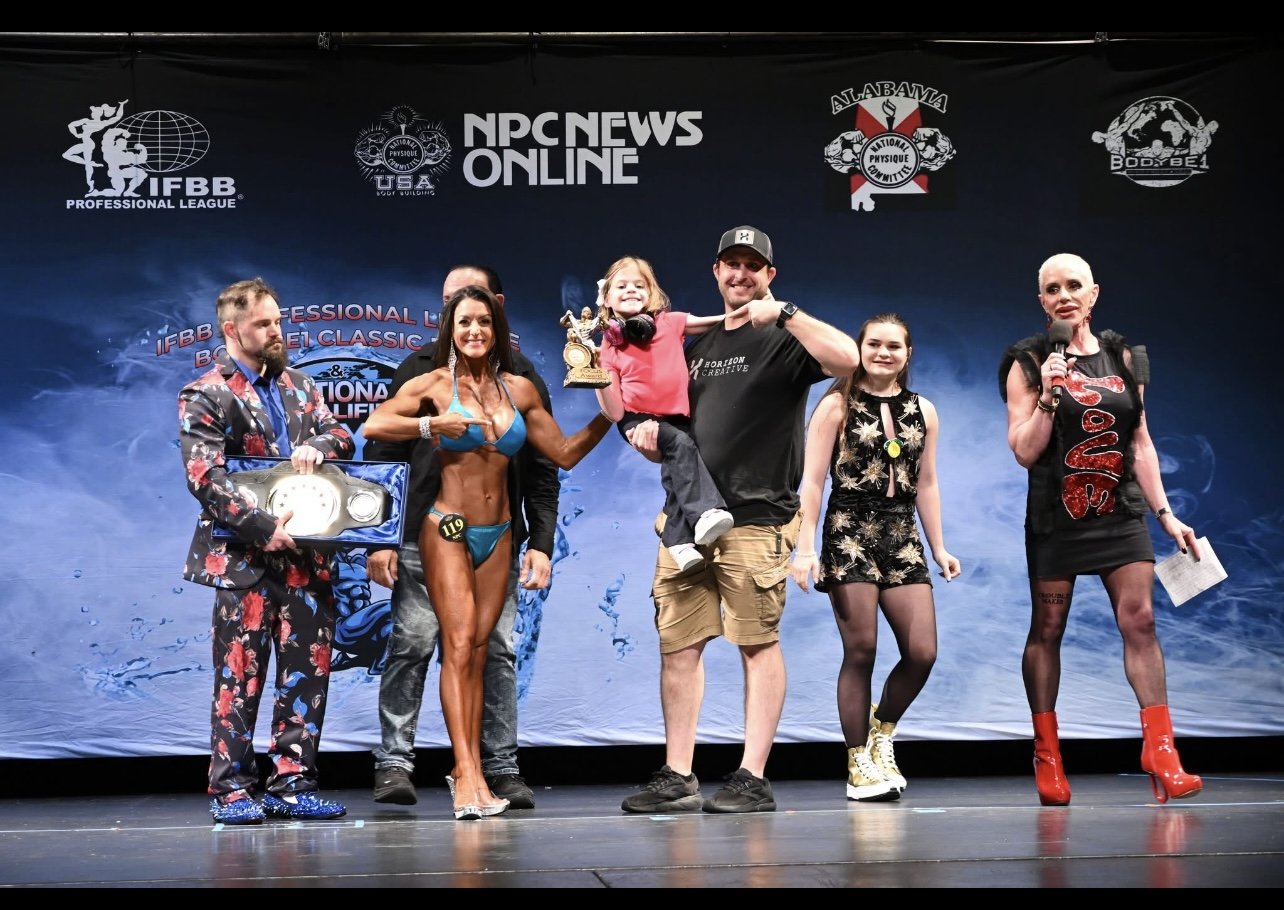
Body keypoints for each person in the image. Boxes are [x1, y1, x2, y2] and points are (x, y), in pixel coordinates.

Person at [619, 225, 861, 814]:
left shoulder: (782, 336)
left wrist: (788, 315)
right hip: (684, 519)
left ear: (769, 276)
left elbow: (847, 359)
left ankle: (752, 774)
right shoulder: (690, 344)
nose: (740, 274)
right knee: (678, 645)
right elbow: (646, 406)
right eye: (731, 264)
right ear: (716, 271)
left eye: (753, 266)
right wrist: (646, 437)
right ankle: (678, 772)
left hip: (756, 518)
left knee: (756, 642)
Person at [363, 284, 613, 820]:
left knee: (480, 650)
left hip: (499, 533)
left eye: (483, 322)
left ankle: (470, 768)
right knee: (455, 646)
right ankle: (468, 776)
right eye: (464, 323)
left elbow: (563, 455)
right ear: (450, 332)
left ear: (496, 331)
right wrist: (433, 424)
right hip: (446, 527)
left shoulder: (520, 389)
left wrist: (611, 414)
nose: (474, 331)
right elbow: (374, 425)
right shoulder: (431, 383)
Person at [1000, 252, 1203, 806]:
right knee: (1048, 631)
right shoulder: (1026, 361)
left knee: (1140, 621)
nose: (1064, 295)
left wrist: (1166, 514)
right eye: (1052, 288)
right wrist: (1046, 394)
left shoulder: (1122, 357)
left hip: (1119, 513)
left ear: (1094, 294)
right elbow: (1023, 451)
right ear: (1041, 300)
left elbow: (1140, 443)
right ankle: (1047, 753)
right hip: (1056, 521)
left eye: (1074, 286)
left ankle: (1162, 750)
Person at [177, 276, 355, 825]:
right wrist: (259, 526)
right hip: (245, 561)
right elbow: (204, 476)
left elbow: (341, 437)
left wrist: (317, 446)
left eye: (278, 320)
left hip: (306, 558)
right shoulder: (206, 393)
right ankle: (231, 787)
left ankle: (293, 782)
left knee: (306, 672)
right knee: (239, 674)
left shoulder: (302, 386)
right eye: (264, 323)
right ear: (233, 329)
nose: (277, 330)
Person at [790, 313, 961, 802]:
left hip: (901, 533)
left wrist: (938, 546)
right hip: (849, 530)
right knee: (861, 649)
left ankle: (881, 732)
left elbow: (925, 482)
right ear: (860, 349)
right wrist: (804, 548)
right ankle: (857, 763)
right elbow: (812, 482)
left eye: (894, 346)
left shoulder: (923, 410)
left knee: (922, 652)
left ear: (908, 354)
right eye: (874, 344)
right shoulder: (836, 406)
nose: (884, 353)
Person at [593, 255, 733, 572]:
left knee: (677, 475)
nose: (631, 290)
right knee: (682, 448)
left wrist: (748, 313)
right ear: (606, 297)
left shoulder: (670, 323)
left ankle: (679, 542)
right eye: (622, 286)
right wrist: (596, 377)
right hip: (636, 417)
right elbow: (614, 411)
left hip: (676, 414)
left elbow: (716, 323)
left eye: (639, 285)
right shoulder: (608, 348)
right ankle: (706, 512)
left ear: (652, 293)